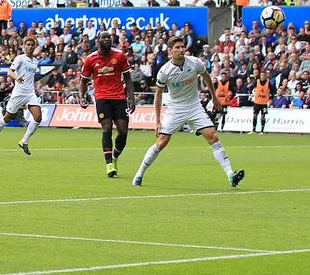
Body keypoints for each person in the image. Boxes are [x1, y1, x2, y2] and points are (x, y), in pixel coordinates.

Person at [132, 37, 245, 188]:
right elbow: (158, 96)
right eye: (177, 47)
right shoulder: (164, 71)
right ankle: (139, 174)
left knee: (213, 136)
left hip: (194, 107)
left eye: (182, 46)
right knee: (161, 142)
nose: (181, 49)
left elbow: (206, 77)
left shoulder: (195, 62)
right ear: (170, 51)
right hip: (176, 108)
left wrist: (214, 97)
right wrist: (157, 121)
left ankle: (231, 174)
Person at [78, 30, 136, 177]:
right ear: (98, 41)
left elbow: (128, 79)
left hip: (119, 97)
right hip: (102, 97)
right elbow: (83, 80)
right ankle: (109, 163)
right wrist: (81, 96)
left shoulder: (120, 55)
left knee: (123, 131)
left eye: (109, 37)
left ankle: (115, 157)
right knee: (107, 127)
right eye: (104, 37)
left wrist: (131, 98)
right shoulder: (91, 59)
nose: (107, 39)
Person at [0, 37, 42, 155]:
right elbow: (9, 72)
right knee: (7, 117)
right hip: (18, 93)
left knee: (38, 117)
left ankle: (24, 141)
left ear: (34, 47)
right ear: (24, 46)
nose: (30, 46)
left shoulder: (35, 62)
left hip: (30, 93)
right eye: (27, 44)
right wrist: (16, 77)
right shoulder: (20, 58)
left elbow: (30, 77)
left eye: (32, 45)